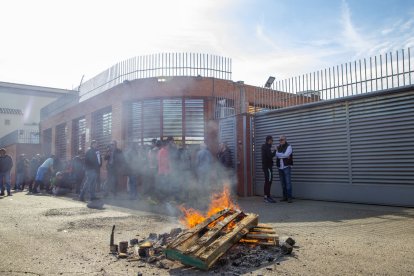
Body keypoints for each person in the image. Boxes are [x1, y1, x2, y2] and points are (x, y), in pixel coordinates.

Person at [276, 135, 294, 203]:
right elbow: (276, 154)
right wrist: (282, 155)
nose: (280, 141)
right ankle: (285, 197)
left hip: (286, 167)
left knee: (288, 183)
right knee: (283, 183)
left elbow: (286, 155)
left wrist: (280, 154)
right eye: (279, 140)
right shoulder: (278, 147)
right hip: (280, 167)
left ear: (285, 140)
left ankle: (289, 197)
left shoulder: (289, 146)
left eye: (282, 140)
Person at [261, 135, 276, 203]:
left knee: (267, 181)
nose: (272, 142)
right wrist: (275, 151)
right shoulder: (266, 147)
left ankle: (266, 196)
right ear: (269, 140)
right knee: (268, 181)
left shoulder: (265, 147)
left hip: (266, 167)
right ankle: (267, 197)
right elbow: (270, 156)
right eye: (272, 140)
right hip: (267, 167)